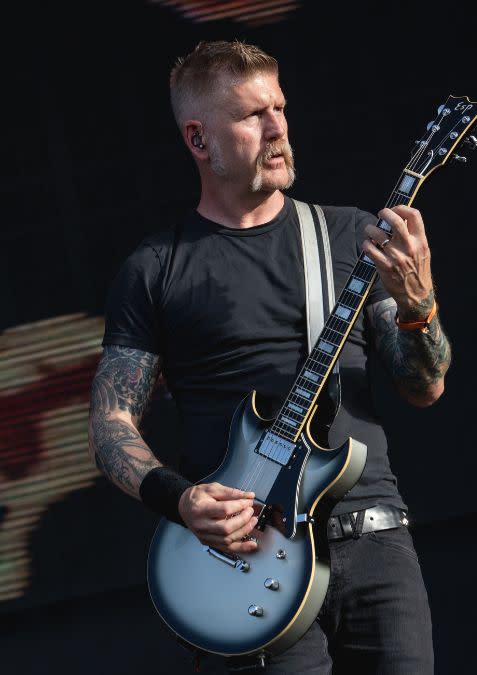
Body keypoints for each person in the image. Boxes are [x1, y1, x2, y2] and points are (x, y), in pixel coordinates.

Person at [87, 40, 443, 673]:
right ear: (199, 139)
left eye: (279, 107)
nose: (278, 127)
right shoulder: (155, 268)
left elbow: (425, 386)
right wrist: (181, 500)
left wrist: (419, 307)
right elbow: (111, 423)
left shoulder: (348, 236)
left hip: (373, 541)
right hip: (243, 558)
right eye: (253, 115)